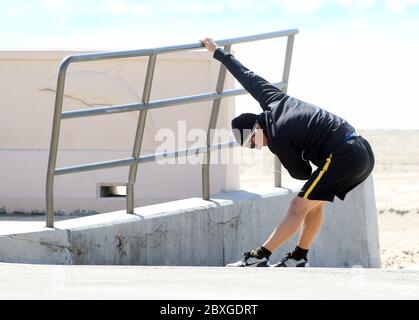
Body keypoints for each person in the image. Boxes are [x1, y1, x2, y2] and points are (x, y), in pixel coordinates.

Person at [200, 37, 375, 267]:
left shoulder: (278, 138)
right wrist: (218, 52)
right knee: (315, 202)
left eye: (251, 143)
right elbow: (247, 76)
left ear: (256, 128)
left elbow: (301, 173)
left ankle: (259, 256)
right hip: (362, 151)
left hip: (344, 156)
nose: (256, 148)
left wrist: (286, 150)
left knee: (298, 205)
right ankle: (299, 258)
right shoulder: (273, 99)